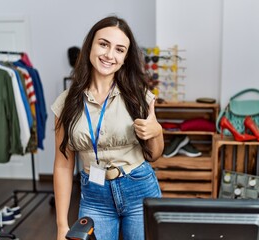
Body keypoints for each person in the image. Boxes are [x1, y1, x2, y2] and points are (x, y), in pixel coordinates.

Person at [51, 16, 164, 240]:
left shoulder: (138, 96)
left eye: (119, 49)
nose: (109, 55)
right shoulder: (65, 104)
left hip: (139, 189)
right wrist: (62, 225)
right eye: (104, 44)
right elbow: (63, 165)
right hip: (94, 196)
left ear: (125, 58)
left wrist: (156, 132)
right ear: (90, 45)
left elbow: (155, 154)